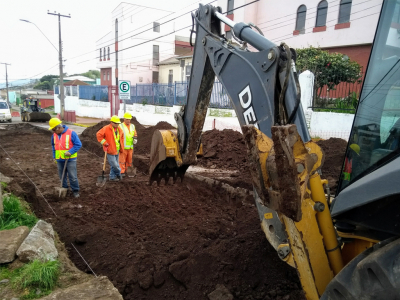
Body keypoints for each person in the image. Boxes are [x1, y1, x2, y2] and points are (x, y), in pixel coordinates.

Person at [49, 118, 82, 198]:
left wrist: (70, 152)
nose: (53, 132)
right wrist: (54, 157)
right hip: (59, 159)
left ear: (58, 127)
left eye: (54, 129)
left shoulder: (71, 133)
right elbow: (54, 147)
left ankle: (75, 190)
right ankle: (64, 189)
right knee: (62, 176)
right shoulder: (54, 135)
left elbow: (78, 144)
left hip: (70, 159)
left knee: (72, 176)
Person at [96, 115, 124, 182]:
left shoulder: (119, 129)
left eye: (118, 123)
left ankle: (112, 177)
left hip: (117, 149)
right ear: (111, 122)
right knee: (115, 165)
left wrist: (121, 147)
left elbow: (121, 138)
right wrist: (104, 142)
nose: (117, 124)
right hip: (110, 150)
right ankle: (119, 174)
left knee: (114, 165)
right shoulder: (106, 128)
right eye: (115, 123)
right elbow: (98, 135)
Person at [118, 112, 138, 177]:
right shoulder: (120, 126)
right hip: (123, 147)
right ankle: (122, 172)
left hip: (130, 147)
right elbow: (118, 136)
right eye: (127, 119)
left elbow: (134, 134)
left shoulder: (132, 126)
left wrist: (135, 139)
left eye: (129, 119)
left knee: (129, 160)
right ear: (124, 119)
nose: (128, 120)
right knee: (122, 161)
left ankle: (128, 171)